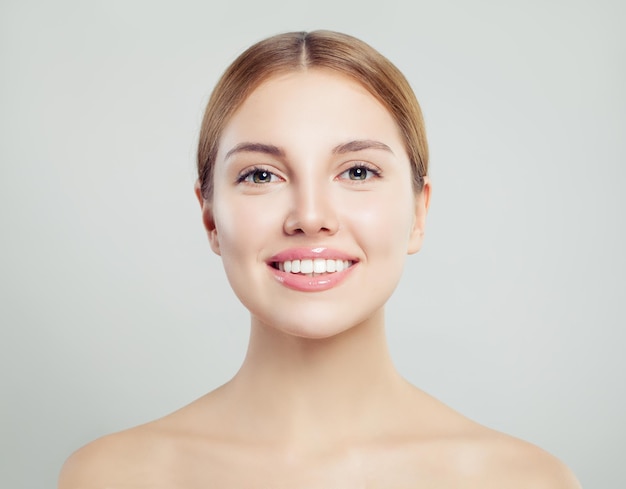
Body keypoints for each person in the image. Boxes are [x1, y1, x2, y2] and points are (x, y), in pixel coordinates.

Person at [59, 30, 581, 488]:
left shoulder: (528, 483)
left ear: (418, 213)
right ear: (211, 218)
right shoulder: (107, 478)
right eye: (260, 175)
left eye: (357, 172)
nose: (310, 216)